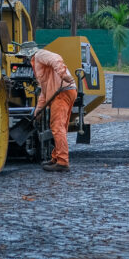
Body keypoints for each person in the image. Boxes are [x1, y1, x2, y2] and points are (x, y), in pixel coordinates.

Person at [21, 41, 77, 172]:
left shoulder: (40, 55)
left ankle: (62, 162)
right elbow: (44, 91)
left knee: (57, 127)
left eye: (23, 57)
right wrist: (38, 110)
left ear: (29, 54)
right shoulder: (38, 65)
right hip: (65, 91)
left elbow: (56, 59)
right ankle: (56, 157)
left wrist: (63, 75)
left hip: (62, 92)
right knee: (60, 127)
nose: (23, 59)